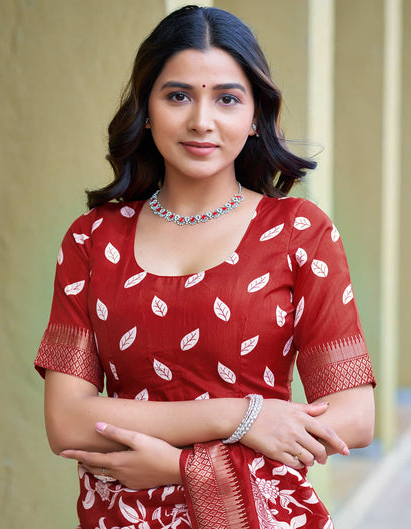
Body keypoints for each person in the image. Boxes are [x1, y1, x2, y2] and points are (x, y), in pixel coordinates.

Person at [35, 5, 376, 529]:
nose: (201, 120)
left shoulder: (298, 232)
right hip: (121, 515)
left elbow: (353, 418)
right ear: (147, 110)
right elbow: (68, 421)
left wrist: (180, 468)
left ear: (255, 115)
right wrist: (242, 415)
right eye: (178, 96)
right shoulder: (94, 238)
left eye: (227, 98)